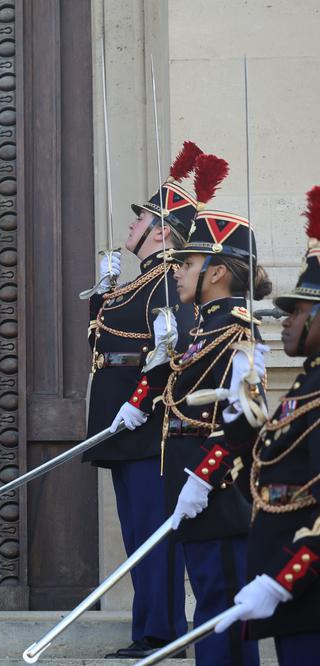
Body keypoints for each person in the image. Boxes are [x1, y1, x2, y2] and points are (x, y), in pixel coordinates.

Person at [185, 186, 320, 665]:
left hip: (299, 580)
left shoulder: (239, 335)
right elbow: (269, 461)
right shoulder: (307, 384)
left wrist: (286, 576)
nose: (284, 322)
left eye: (299, 312)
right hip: (289, 584)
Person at [80, 142, 203, 659]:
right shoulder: (138, 283)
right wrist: (101, 293)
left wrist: (140, 401)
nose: (131, 226)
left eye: (141, 219)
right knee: (136, 532)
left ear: (161, 231)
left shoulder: (168, 284)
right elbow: (102, 339)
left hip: (146, 420)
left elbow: (167, 355)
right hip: (118, 414)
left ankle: (163, 630)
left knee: (154, 532)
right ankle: (148, 628)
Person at [159, 153, 271, 665]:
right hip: (195, 487)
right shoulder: (203, 329)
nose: (178, 272)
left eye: (187, 264)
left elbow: (242, 424)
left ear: (218, 272)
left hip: (219, 492)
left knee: (220, 607)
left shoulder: (238, 335)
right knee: (210, 603)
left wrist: (202, 479)